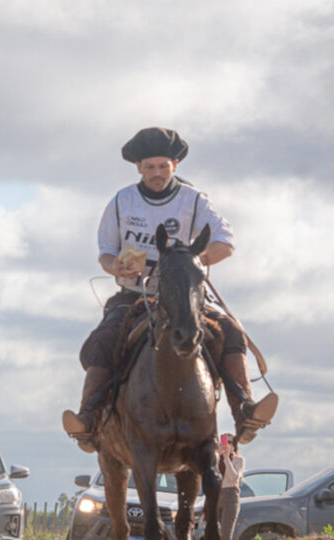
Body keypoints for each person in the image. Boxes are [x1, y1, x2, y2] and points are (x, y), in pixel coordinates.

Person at [62, 128, 279, 452]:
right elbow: (105, 252)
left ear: (175, 165)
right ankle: (89, 419)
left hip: (186, 295)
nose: (157, 173)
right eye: (150, 167)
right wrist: (115, 267)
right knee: (103, 339)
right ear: (138, 168)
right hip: (135, 294)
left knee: (232, 332)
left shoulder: (194, 200)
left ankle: (245, 410)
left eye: (163, 166)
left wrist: (189, 263)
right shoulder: (122, 201)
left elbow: (226, 242)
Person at [219, 433, 245, 540]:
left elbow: (233, 477)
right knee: (215, 533)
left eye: (230, 442)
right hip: (216, 496)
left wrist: (226, 459)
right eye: (224, 442)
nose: (227, 445)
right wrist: (217, 456)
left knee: (226, 534)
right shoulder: (215, 459)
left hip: (231, 496)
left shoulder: (239, 460)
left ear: (234, 445)